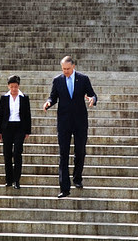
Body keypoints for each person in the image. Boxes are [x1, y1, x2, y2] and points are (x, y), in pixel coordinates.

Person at [43, 55, 97, 198]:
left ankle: (77, 178)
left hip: (80, 121)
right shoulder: (58, 80)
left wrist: (92, 99)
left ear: (73, 66)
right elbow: (53, 97)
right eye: (63, 69)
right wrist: (48, 103)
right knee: (63, 154)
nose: (65, 71)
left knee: (80, 151)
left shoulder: (83, 79)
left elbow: (92, 94)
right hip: (64, 122)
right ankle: (64, 188)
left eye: (67, 68)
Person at [0, 75, 31, 189]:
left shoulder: (24, 98)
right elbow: (0, 115)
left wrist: (28, 131)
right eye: (11, 87)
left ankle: (17, 180)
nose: (14, 89)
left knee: (17, 153)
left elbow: (27, 115)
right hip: (7, 128)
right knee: (7, 154)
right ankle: (9, 180)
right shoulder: (4, 98)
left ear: (19, 86)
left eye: (15, 87)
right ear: (8, 86)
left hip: (19, 128)